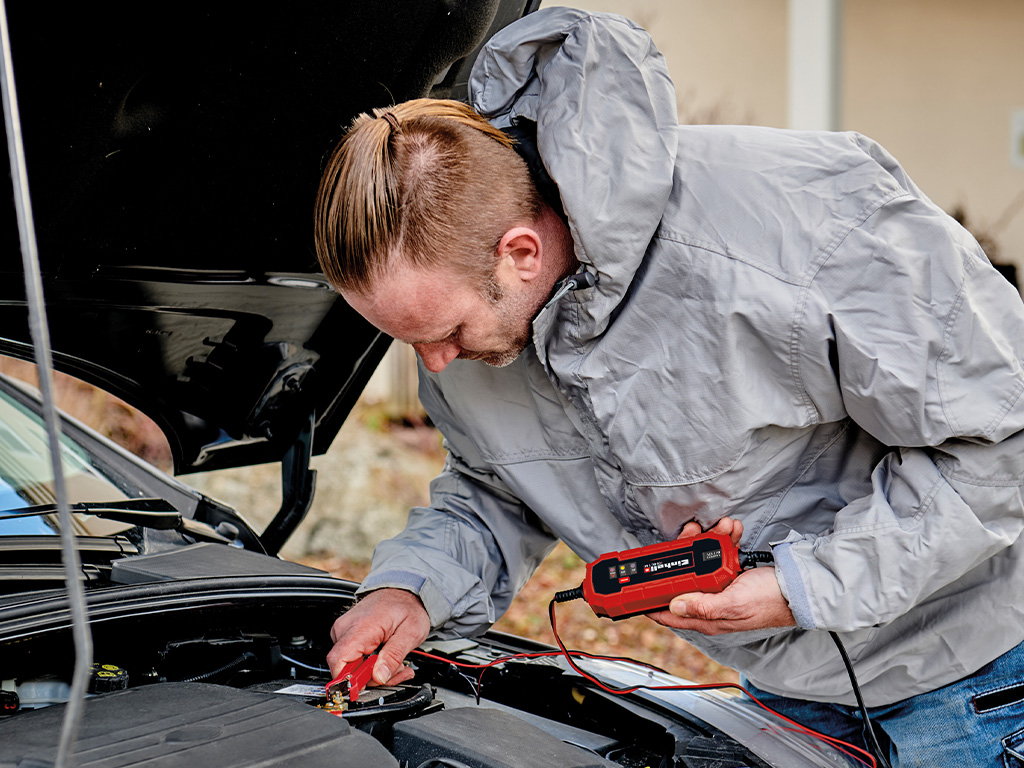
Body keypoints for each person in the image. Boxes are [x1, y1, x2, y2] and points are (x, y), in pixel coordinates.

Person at [313, 8, 1024, 766]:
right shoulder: (486, 336)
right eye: (408, 341)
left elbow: (1000, 445)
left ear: (519, 253)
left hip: (984, 684)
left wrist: (803, 586)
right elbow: (497, 491)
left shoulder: (804, 224)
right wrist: (411, 591)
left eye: (444, 330)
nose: (436, 365)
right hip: (789, 702)